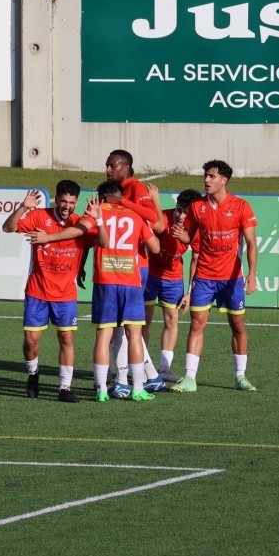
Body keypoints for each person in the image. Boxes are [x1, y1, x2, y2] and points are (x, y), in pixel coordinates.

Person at [29, 180, 161, 402]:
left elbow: (77, 231)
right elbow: (156, 247)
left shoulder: (95, 214)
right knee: (134, 335)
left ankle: (101, 389)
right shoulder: (135, 216)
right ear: (119, 196)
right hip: (131, 282)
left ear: (100, 198)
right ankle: (138, 388)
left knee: (103, 335)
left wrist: (49, 238)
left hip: (105, 282)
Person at [1, 181, 97, 403]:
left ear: (77, 202)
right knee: (31, 340)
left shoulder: (80, 222)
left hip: (65, 294)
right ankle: (33, 374)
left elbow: (95, 242)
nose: (67, 206)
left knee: (66, 337)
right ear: (56, 198)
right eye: (63, 201)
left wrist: (81, 267)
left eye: (72, 202)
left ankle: (64, 388)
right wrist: (24, 207)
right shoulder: (39, 217)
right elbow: (8, 228)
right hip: (37, 291)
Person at [169, 160, 258, 393]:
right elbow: (190, 239)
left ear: (224, 180)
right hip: (205, 277)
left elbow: (251, 242)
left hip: (231, 279)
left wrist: (252, 274)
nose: (206, 180)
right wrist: (181, 235)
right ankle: (189, 378)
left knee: (237, 325)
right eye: (205, 176)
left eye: (212, 176)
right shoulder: (198, 207)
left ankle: (240, 377)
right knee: (196, 324)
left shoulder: (241, 206)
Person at [104, 149, 167, 396]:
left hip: (134, 266)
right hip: (121, 264)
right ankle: (150, 376)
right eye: (107, 165)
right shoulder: (120, 189)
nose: (108, 170)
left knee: (121, 325)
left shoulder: (136, 189)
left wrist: (124, 203)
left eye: (113, 166)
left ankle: (121, 380)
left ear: (127, 167)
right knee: (125, 324)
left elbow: (158, 224)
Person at [142, 189, 201, 383]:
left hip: (174, 277)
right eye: (178, 210)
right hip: (150, 273)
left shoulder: (195, 229)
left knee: (172, 319)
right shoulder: (162, 218)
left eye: (185, 212)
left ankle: (165, 368)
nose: (180, 215)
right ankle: (141, 365)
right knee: (144, 320)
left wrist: (190, 292)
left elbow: (195, 260)